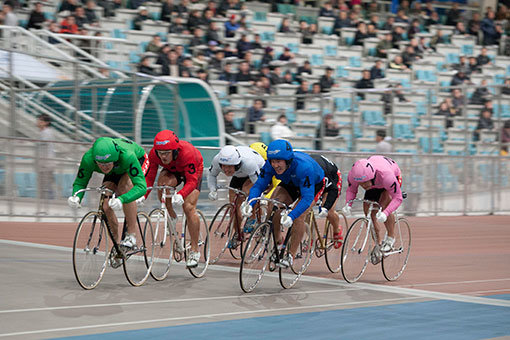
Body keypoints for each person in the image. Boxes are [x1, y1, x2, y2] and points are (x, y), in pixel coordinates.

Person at [241, 140, 326, 267]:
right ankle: (278, 242)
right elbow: (258, 186)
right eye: (273, 161)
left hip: (312, 184)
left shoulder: (304, 167)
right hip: (290, 182)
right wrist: (250, 203)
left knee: (299, 216)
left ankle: (290, 255)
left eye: (279, 161)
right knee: (273, 205)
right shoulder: (269, 165)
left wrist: (292, 215)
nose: (275, 165)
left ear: (288, 160)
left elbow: (307, 198)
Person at [68, 137, 149, 267]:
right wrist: (76, 197)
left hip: (137, 160)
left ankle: (131, 235)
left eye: (106, 164)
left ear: (114, 158)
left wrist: (122, 199)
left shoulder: (127, 156)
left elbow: (141, 187)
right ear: (95, 160)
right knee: (105, 205)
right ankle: (117, 246)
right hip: (115, 168)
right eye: (100, 165)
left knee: (124, 187)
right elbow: (80, 182)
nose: (103, 167)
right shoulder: (89, 158)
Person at [142, 130, 204, 268]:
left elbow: (192, 181)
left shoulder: (187, 152)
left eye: (166, 153)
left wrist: (181, 194)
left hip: (192, 171)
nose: (162, 157)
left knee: (188, 207)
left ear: (175, 151)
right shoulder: (154, 154)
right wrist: (143, 195)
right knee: (162, 185)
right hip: (173, 170)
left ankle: (194, 250)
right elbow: (150, 177)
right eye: (160, 153)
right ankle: (171, 215)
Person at [342, 156, 403, 265]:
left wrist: (386, 213)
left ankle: (390, 237)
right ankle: (378, 244)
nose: (363, 186)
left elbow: (398, 198)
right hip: (375, 184)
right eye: (361, 184)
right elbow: (351, 190)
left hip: (391, 176)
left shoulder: (386, 176)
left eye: (365, 183)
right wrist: (348, 204)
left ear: (371, 176)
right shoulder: (353, 175)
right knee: (368, 213)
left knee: (384, 205)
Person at [207, 145, 265, 248]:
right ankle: (237, 233)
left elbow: (258, 186)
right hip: (239, 175)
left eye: (229, 167)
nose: (226, 170)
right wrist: (212, 190)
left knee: (247, 191)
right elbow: (211, 175)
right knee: (233, 205)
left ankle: (252, 218)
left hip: (255, 171)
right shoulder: (217, 160)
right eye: (223, 166)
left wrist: (251, 203)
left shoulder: (248, 163)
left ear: (237, 164)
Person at [309, 154, 344, 248]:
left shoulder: (320, 171)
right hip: (314, 177)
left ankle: (337, 229)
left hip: (332, 178)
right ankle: (310, 237)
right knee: (304, 208)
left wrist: (326, 206)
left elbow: (332, 189)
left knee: (329, 209)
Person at [36, 114, 56, 202]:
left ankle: (47, 201)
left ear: (46, 123)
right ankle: (46, 201)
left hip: (46, 162)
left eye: (41, 121)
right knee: (45, 183)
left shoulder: (47, 133)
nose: (38, 122)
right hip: (44, 162)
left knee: (45, 183)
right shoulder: (43, 132)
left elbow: (43, 145)